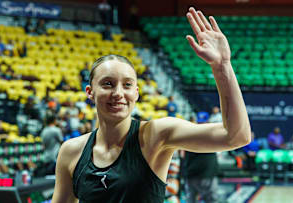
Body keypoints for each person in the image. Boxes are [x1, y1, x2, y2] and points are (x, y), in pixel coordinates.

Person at [51, 7, 251, 203]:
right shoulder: (72, 151)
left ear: (136, 93)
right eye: (108, 84)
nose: (118, 93)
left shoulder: (156, 135)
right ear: (90, 92)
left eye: (127, 85)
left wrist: (222, 66)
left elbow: (236, 137)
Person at [181, 115, 219, 203]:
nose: (202, 124)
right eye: (200, 122)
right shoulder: (210, 135)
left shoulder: (190, 135)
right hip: (199, 174)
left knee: (195, 199)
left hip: (202, 174)